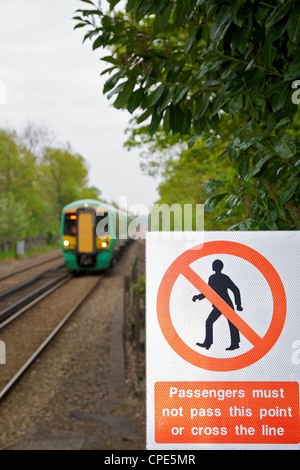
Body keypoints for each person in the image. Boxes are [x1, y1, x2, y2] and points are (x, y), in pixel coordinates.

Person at [192, 259, 243, 351]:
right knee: (210, 322)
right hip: (220, 304)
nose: (212, 266)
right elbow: (208, 291)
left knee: (231, 323)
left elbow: (235, 289)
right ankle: (208, 343)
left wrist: (238, 304)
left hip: (225, 304)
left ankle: (234, 344)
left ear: (217, 267)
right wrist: (198, 297)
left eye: (214, 265)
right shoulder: (213, 278)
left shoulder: (221, 278)